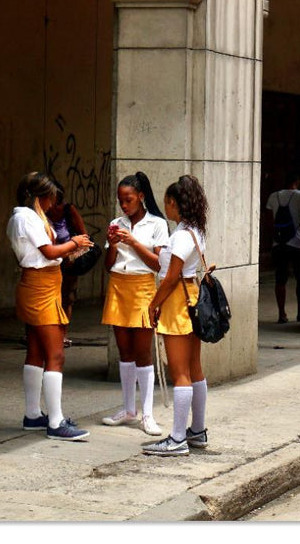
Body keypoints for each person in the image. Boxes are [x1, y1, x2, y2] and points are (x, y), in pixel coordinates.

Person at [6, 171, 93, 441]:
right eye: (51, 198)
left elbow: (49, 252)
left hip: (39, 285)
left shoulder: (25, 217)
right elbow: (49, 252)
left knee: (36, 351)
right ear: (41, 196)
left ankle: (33, 415)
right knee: (56, 355)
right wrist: (74, 243)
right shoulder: (26, 218)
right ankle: (55, 422)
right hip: (41, 287)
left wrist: (70, 249)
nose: (53, 204)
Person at [143, 175, 210, 457]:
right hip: (190, 297)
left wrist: (153, 304)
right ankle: (198, 430)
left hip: (177, 302)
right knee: (194, 368)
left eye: (167, 203)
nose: (165, 208)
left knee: (179, 371)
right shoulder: (196, 232)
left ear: (174, 203)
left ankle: (178, 437)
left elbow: (170, 278)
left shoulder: (181, 236)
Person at [100, 172, 170, 437]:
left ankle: (148, 414)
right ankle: (129, 409)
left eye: (128, 199)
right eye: (120, 200)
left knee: (143, 352)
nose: (124, 205)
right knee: (124, 351)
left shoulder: (157, 224)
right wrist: (114, 244)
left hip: (142, 286)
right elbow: (108, 265)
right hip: (119, 285)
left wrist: (133, 242)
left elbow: (158, 264)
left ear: (141, 197)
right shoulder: (117, 223)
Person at [44, 180, 87, 348]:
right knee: (47, 299)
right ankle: (47, 334)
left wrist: (72, 257)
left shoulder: (68, 211)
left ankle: (62, 334)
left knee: (67, 298)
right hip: (46, 264)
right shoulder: (40, 214)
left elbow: (85, 238)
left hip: (68, 263)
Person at [266, 174, 300, 324]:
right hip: (297, 243)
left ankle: (282, 313)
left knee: (280, 280)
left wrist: (276, 238)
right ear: (297, 181)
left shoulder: (273, 196)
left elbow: (269, 221)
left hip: (279, 244)